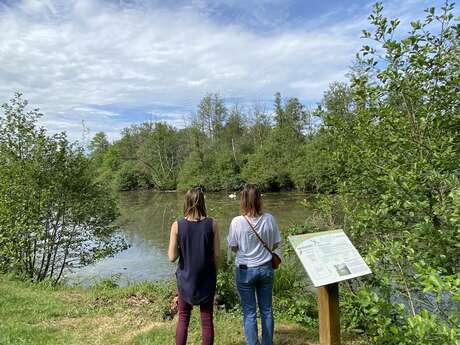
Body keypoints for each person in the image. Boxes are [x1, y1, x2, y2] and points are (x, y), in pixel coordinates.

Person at [227, 184, 281, 345]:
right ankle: (267, 343)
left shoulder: (237, 222)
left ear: (243, 200)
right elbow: (276, 244)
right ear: (259, 199)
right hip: (265, 269)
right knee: (267, 310)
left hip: (245, 271)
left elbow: (233, 246)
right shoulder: (269, 218)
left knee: (249, 312)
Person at [168, 187, 220, 345]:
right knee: (206, 319)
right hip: (207, 278)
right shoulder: (212, 224)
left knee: (183, 317)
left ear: (187, 202)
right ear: (202, 202)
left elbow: (172, 257)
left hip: (185, 279)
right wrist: (214, 274)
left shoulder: (177, 225)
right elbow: (217, 255)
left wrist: (182, 246)